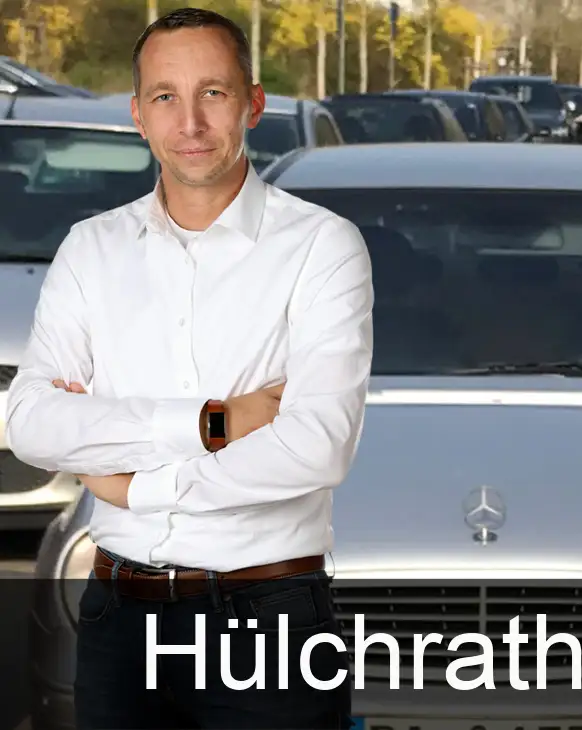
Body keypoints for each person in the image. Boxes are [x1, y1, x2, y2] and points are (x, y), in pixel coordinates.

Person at [5, 7, 373, 729]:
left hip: (266, 622)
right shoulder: (91, 250)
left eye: (213, 92)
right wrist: (216, 423)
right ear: (139, 116)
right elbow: (32, 423)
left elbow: (316, 446)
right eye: (166, 97)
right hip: (117, 619)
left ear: (253, 104)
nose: (191, 122)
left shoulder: (321, 247)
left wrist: (133, 486)